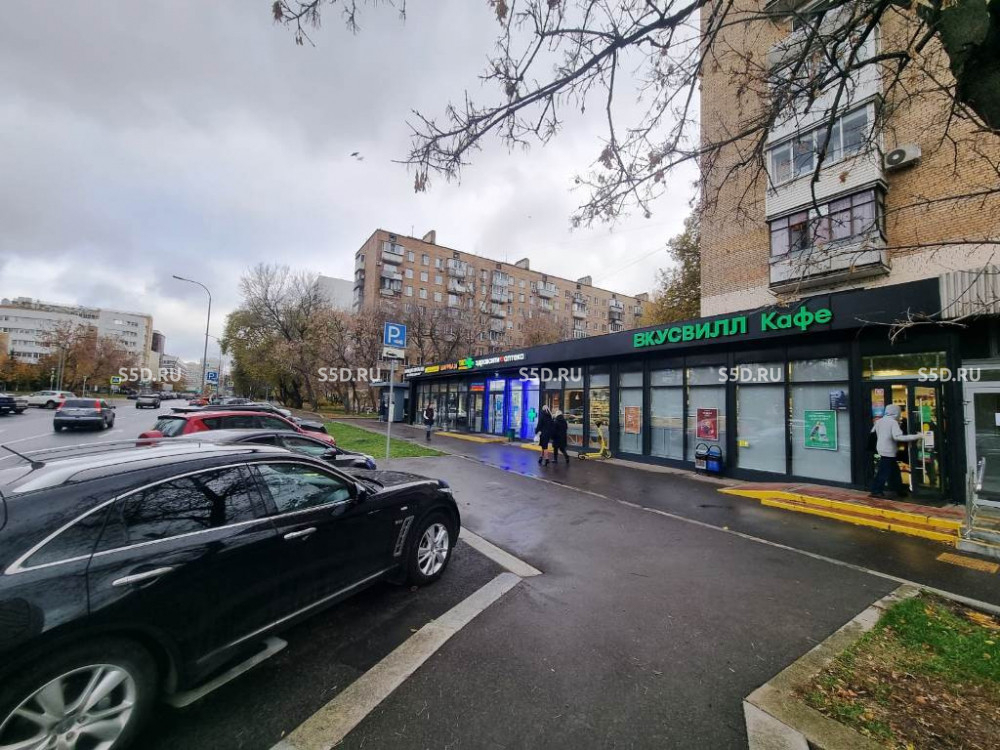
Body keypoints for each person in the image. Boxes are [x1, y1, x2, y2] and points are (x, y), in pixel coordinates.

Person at [869, 404, 924, 498]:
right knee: (883, 472)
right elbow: (898, 437)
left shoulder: (879, 421)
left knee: (894, 472)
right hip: (889, 451)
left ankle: (898, 490)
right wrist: (917, 436)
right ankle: (876, 491)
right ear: (896, 412)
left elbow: (873, 433)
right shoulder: (893, 422)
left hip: (882, 449)